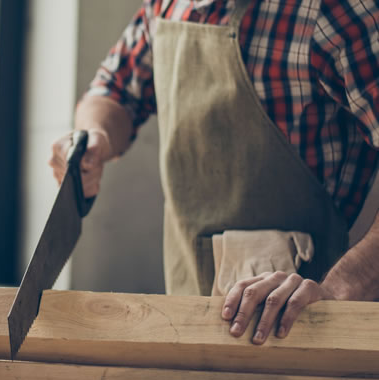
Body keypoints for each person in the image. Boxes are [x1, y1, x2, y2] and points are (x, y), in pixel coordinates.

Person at [49, 0, 379, 345]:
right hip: (186, 316)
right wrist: (96, 136)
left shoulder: (334, 11)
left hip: (300, 333)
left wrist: (337, 293)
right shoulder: (167, 6)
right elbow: (113, 89)